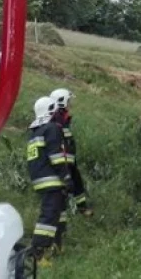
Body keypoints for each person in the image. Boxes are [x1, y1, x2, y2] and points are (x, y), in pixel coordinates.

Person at [26, 96, 72, 265]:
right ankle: (38, 254)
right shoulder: (52, 129)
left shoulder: (36, 131)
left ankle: (56, 245)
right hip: (51, 180)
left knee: (58, 215)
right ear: (52, 111)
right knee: (49, 217)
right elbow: (57, 156)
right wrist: (66, 177)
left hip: (42, 180)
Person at [50, 87, 93, 217]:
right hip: (62, 160)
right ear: (61, 102)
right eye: (68, 101)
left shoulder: (64, 118)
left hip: (69, 160)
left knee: (77, 182)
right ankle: (67, 211)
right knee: (65, 186)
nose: (70, 104)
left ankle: (82, 209)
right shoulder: (56, 118)